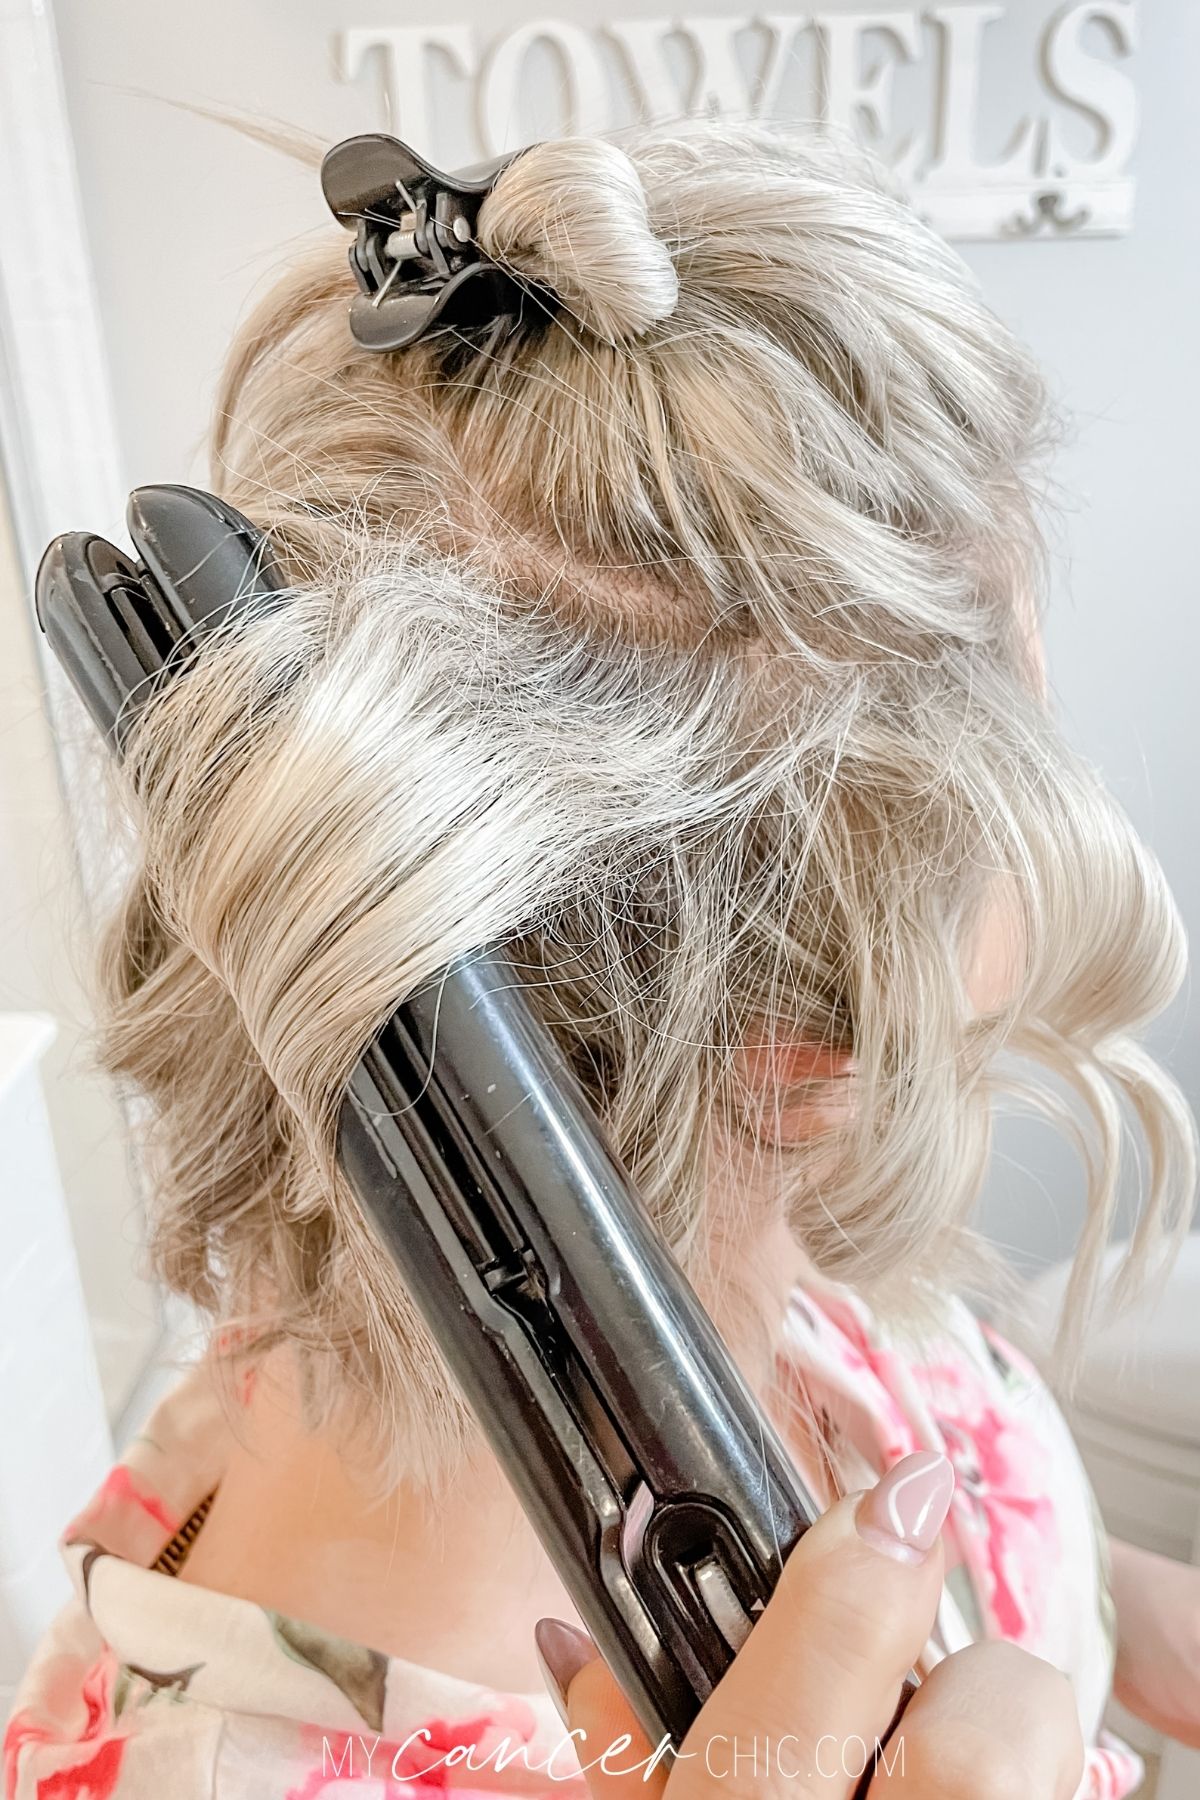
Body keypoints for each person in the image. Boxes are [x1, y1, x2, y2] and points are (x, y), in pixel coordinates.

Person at [5, 121, 1197, 1798]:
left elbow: (1008, 1532)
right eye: (1029, 720)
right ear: (802, 1039)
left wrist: (1099, 1606)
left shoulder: (710, 1237)